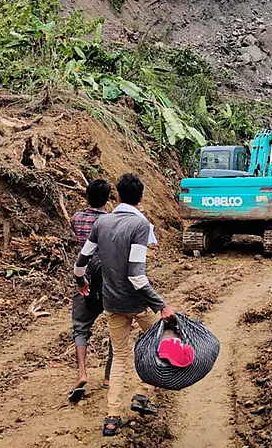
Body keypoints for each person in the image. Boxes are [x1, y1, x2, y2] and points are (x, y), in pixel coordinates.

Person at [73, 173, 176, 437]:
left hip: (112, 303)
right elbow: (136, 275)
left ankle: (112, 417)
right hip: (138, 302)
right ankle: (142, 394)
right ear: (140, 198)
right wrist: (161, 304)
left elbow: (80, 262)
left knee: (119, 357)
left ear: (117, 196)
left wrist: (80, 282)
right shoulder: (140, 226)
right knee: (157, 341)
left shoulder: (103, 223)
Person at [68, 179, 113, 403]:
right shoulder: (110, 221)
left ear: (86, 196)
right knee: (117, 325)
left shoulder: (76, 218)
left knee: (81, 327)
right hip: (108, 281)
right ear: (107, 199)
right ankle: (108, 376)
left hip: (83, 278)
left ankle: (82, 373)